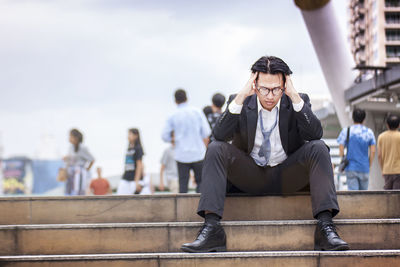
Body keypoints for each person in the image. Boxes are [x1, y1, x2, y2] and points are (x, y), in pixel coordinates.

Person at [181, 56, 349, 253]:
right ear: (254, 84)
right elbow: (218, 135)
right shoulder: (240, 101)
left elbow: (314, 134)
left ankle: (325, 229)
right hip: (250, 176)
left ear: (285, 85)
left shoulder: (298, 100)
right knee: (215, 148)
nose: (270, 95)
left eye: (276, 89)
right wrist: (242, 96)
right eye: (264, 89)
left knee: (319, 147)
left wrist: (293, 96)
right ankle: (211, 229)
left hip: (288, 176)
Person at [161, 89, 211, 193]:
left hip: (181, 154)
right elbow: (206, 132)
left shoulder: (172, 115)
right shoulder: (197, 112)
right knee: (201, 183)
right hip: (198, 153)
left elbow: (164, 136)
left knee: (183, 185)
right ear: (187, 98)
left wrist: (174, 139)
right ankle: (200, 207)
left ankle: (183, 209)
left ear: (175, 101)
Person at [337, 109, 376, 190]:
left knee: (353, 195)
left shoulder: (346, 131)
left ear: (352, 117)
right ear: (364, 119)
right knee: (364, 195)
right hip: (364, 167)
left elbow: (341, 148)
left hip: (351, 168)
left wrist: (343, 158)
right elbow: (373, 151)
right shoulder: (369, 132)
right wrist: (369, 164)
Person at [63, 129, 95, 195]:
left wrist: (86, 169)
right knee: (69, 192)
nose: (69, 138)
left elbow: (92, 159)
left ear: (76, 138)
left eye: (70, 136)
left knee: (78, 192)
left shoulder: (83, 148)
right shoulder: (71, 147)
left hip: (79, 173)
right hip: (71, 173)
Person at [117, 128, 144, 195]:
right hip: (126, 177)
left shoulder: (138, 148)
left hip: (134, 179)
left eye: (130, 134)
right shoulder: (128, 148)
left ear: (136, 135)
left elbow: (139, 165)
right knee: (120, 196)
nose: (128, 136)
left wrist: (136, 181)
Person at [377, 114, 400, 190]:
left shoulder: (381, 137)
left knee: (388, 196)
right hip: (398, 170)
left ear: (387, 125)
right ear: (399, 125)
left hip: (387, 171)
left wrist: (382, 169)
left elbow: (379, 155)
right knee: (397, 197)